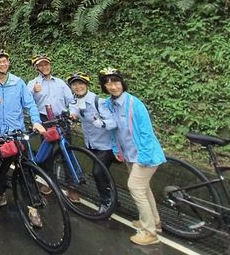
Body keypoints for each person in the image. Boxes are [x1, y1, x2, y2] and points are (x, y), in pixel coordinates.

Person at [100, 68, 166, 246]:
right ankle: (155, 222)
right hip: (129, 154)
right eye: (108, 83)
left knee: (135, 187)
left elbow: (146, 133)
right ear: (104, 86)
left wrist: (144, 157)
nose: (113, 86)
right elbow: (113, 130)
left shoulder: (134, 103)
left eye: (116, 82)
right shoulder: (108, 104)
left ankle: (150, 233)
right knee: (144, 189)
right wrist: (116, 149)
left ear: (122, 83)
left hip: (145, 155)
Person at [0, 49, 45, 216]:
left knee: (24, 168)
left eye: (5, 61)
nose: (2, 64)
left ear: (8, 62)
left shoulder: (18, 82)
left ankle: (32, 207)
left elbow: (29, 104)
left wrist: (36, 120)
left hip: (17, 133)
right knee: (0, 166)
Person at [67, 72, 116, 208]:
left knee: (97, 172)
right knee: (103, 173)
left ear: (87, 85)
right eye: (74, 84)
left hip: (106, 146)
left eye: (81, 83)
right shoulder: (74, 101)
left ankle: (106, 203)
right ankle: (113, 200)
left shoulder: (98, 101)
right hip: (91, 144)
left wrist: (102, 123)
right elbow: (74, 114)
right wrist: (72, 117)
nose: (78, 87)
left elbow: (113, 123)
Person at [27, 53, 74, 192]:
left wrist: (71, 113)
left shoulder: (60, 82)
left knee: (67, 150)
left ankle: (72, 185)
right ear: (37, 68)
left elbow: (71, 100)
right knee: (47, 152)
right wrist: (33, 91)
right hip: (45, 120)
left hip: (61, 119)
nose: (44, 67)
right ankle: (47, 182)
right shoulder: (32, 83)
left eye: (46, 64)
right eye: (41, 65)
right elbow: (27, 101)